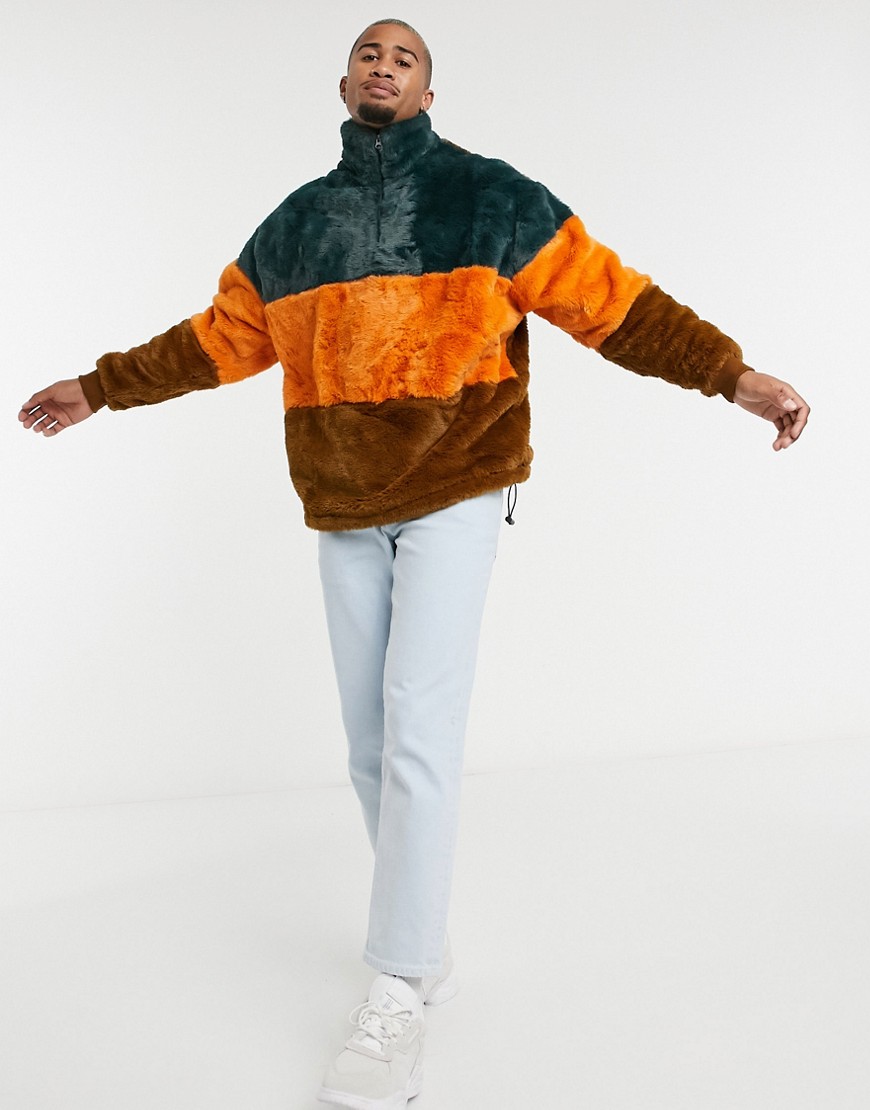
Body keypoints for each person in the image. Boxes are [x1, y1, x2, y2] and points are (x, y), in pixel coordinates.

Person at [18, 17, 809, 1110]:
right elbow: (215, 341)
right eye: (369, 53)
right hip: (343, 500)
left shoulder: (494, 199)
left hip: (460, 483)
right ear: (343, 82)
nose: (384, 65)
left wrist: (735, 377)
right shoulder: (294, 226)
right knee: (370, 746)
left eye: (406, 58)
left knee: (419, 730)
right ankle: (423, 942)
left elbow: (615, 306)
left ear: (429, 92)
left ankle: (394, 987)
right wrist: (99, 388)